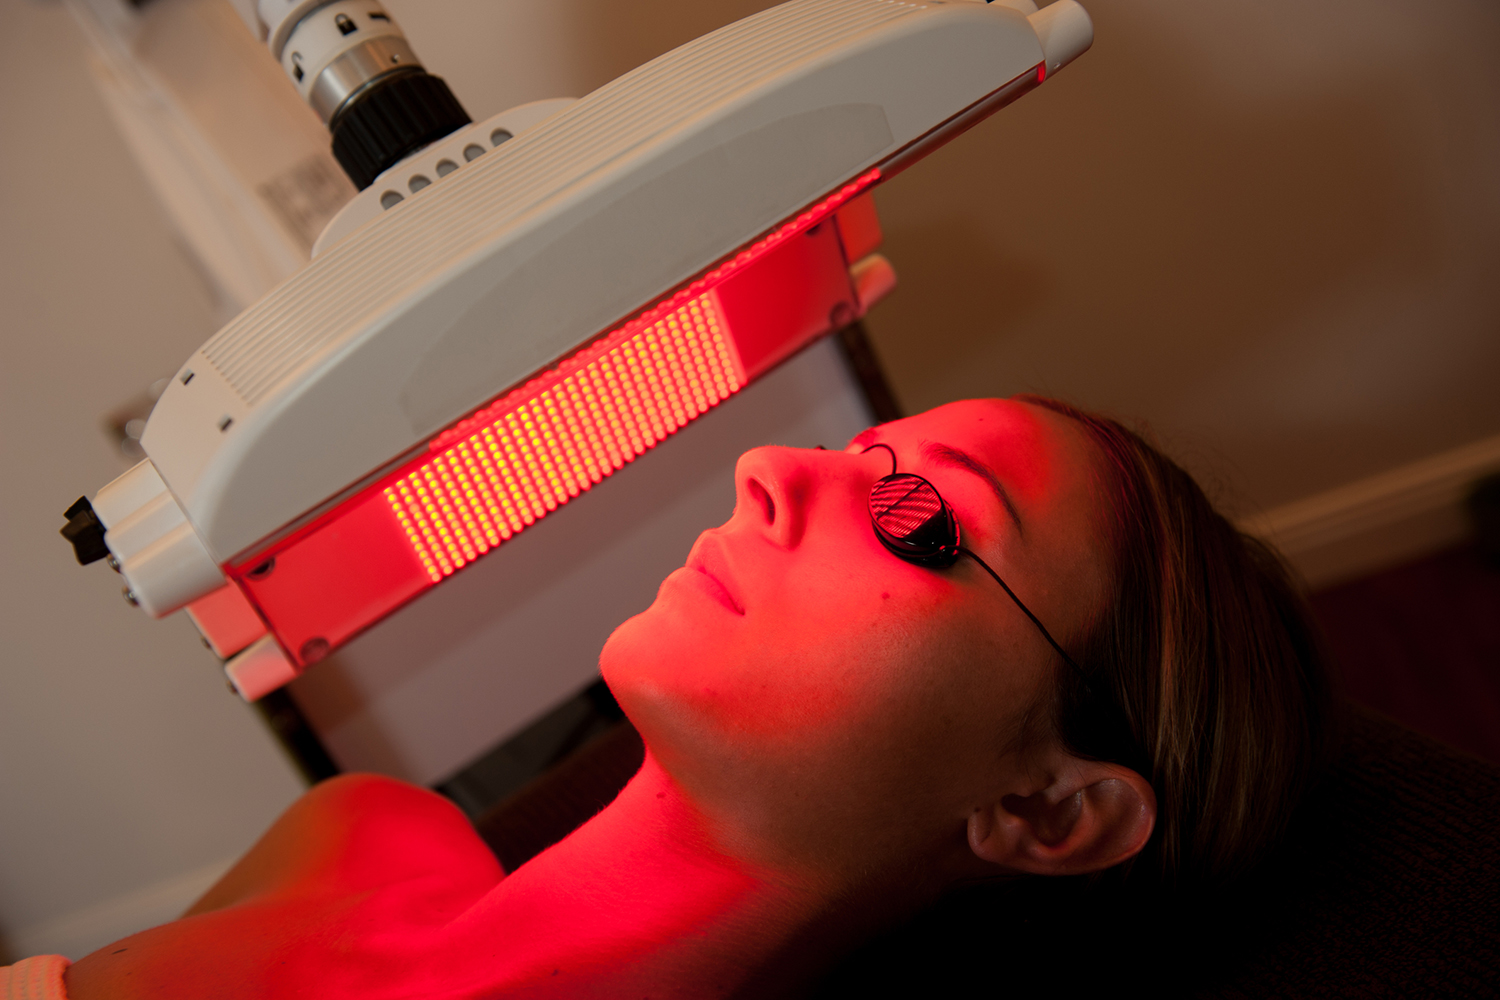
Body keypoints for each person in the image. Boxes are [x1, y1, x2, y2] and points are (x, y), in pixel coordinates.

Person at [12, 396, 1329, 1000]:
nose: (766, 466)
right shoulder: (361, 829)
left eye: (917, 514)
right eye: (857, 451)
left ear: (1048, 811)